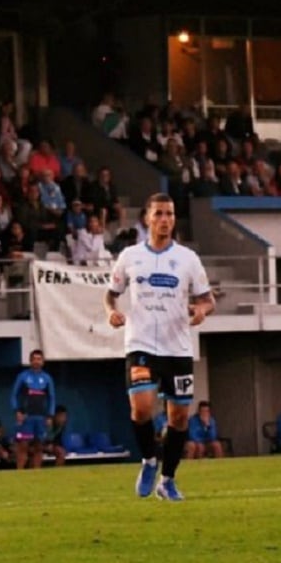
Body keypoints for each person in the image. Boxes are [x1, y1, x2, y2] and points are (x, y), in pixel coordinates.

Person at [106, 193, 214, 501]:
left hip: (177, 348)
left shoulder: (188, 259)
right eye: (159, 214)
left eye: (169, 214)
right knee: (141, 409)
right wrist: (110, 312)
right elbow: (111, 294)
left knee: (178, 418)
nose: (165, 219)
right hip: (140, 343)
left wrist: (201, 311)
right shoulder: (129, 256)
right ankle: (149, 460)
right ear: (147, 218)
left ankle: (167, 480)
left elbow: (208, 300)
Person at [11, 349, 56, 469]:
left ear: (43, 362)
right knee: (23, 445)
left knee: (39, 446)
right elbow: (14, 395)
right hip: (26, 417)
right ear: (30, 361)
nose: (36, 361)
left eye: (39, 359)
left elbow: (52, 398)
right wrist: (17, 411)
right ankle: (20, 473)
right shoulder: (23, 376)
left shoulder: (47, 378)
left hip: (41, 417)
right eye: (34, 359)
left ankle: (36, 473)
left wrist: (50, 416)